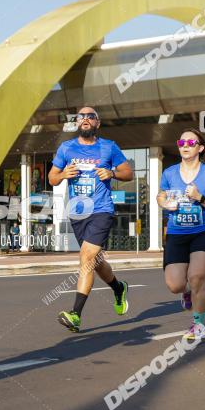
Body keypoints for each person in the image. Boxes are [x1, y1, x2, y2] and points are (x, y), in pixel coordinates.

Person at [49, 106, 133, 332]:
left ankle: (75, 314)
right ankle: (118, 287)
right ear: (77, 122)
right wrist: (63, 174)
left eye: (91, 116)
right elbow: (52, 179)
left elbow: (129, 173)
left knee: (87, 257)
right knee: (95, 261)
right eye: (81, 116)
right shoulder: (66, 148)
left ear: (97, 122)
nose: (85, 119)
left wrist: (112, 173)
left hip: (101, 210)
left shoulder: (108, 147)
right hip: (78, 213)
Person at [156, 129, 205, 340]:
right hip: (177, 233)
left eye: (190, 142)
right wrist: (165, 203)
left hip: (202, 232)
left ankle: (198, 324)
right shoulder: (169, 173)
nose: (184, 145)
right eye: (181, 142)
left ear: (200, 148)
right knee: (175, 285)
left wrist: (200, 197)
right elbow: (160, 196)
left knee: (196, 277)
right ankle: (186, 292)